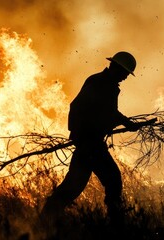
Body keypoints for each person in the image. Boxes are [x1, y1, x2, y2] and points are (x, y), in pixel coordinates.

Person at [40, 51, 145, 229]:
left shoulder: (101, 82)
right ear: (115, 68)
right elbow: (92, 110)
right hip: (91, 143)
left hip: (88, 142)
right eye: (125, 73)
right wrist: (124, 122)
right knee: (113, 180)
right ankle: (116, 224)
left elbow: (102, 112)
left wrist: (109, 125)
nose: (126, 77)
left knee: (74, 186)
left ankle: (45, 219)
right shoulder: (104, 84)